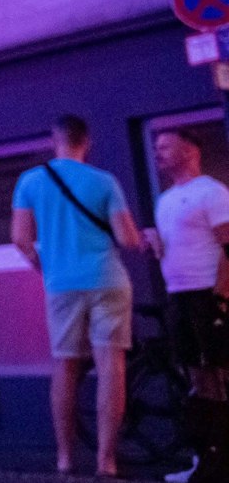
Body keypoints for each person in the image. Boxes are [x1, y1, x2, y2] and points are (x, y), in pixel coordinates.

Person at [11, 114, 143, 477]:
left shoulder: (30, 181)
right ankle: (106, 460)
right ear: (87, 142)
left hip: (62, 285)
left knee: (65, 365)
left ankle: (65, 457)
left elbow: (21, 238)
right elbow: (127, 238)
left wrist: (45, 266)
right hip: (108, 280)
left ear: (54, 141)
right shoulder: (104, 181)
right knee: (110, 366)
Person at [146, 129, 229, 483]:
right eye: (156, 147)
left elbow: (228, 246)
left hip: (206, 294)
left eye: (165, 146)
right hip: (178, 294)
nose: (158, 152)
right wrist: (153, 241)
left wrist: (221, 297)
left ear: (190, 150)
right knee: (196, 377)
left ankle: (220, 464)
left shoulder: (211, 192)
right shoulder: (165, 199)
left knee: (216, 377)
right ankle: (205, 461)